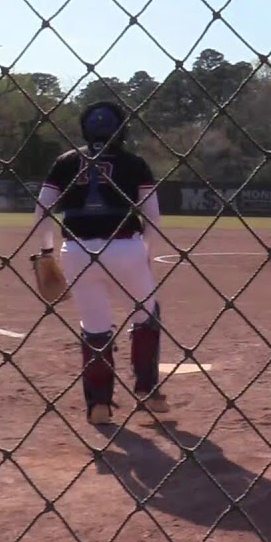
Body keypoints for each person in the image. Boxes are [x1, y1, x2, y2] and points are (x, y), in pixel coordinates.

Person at [32, 101, 168, 426]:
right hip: (125, 247)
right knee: (146, 315)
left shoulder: (66, 161)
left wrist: (47, 253)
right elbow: (153, 217)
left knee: (95, 328)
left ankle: (99, 405)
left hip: (77, 251)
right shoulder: (134, 163)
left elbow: (41, 212)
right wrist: (145, 254)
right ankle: (147, 391)